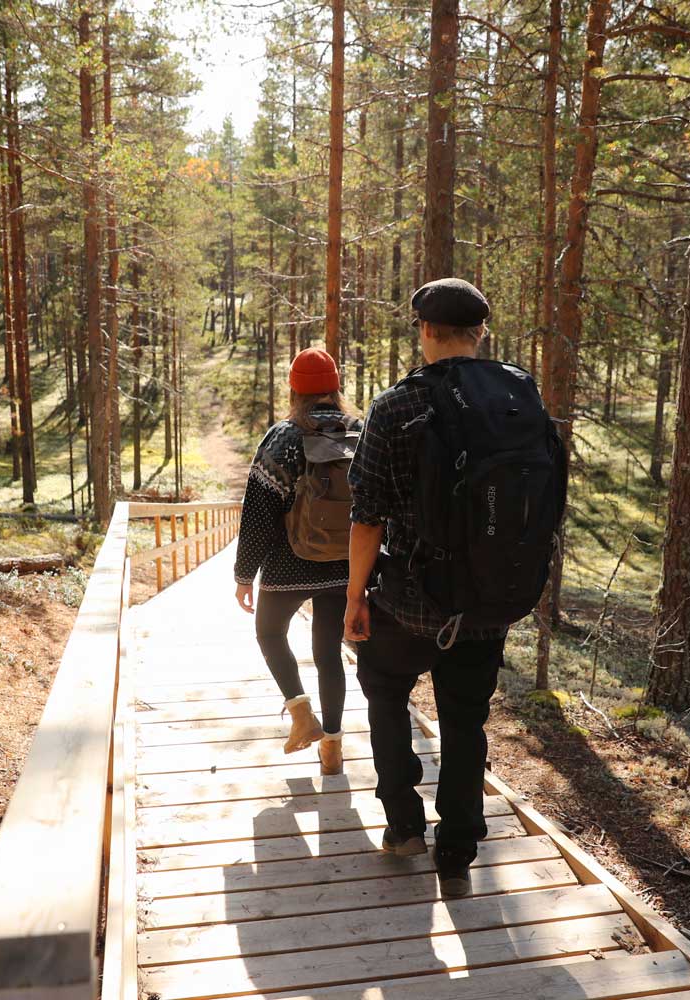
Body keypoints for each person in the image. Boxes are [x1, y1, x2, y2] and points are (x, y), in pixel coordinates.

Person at [345, 277, 563, 898]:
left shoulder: (396, 406)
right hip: (488, 603)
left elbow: (367, 517)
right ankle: (458, 856)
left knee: (385, 692)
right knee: (466, 722)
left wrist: (356, 597)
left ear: (425, 331)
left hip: (410, 603)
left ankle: (404, 825)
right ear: (480, 333)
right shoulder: (522, 397)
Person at [234, 348, 363, 776]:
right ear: (335, 386)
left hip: (290, 564)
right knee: (329, 652)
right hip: (347, 564)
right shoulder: (360, 433)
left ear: (294, 389)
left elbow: (258, 513)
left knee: (270, 633)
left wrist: (243, 575)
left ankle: (301, 714)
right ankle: (333, 746)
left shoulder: (283, 438)